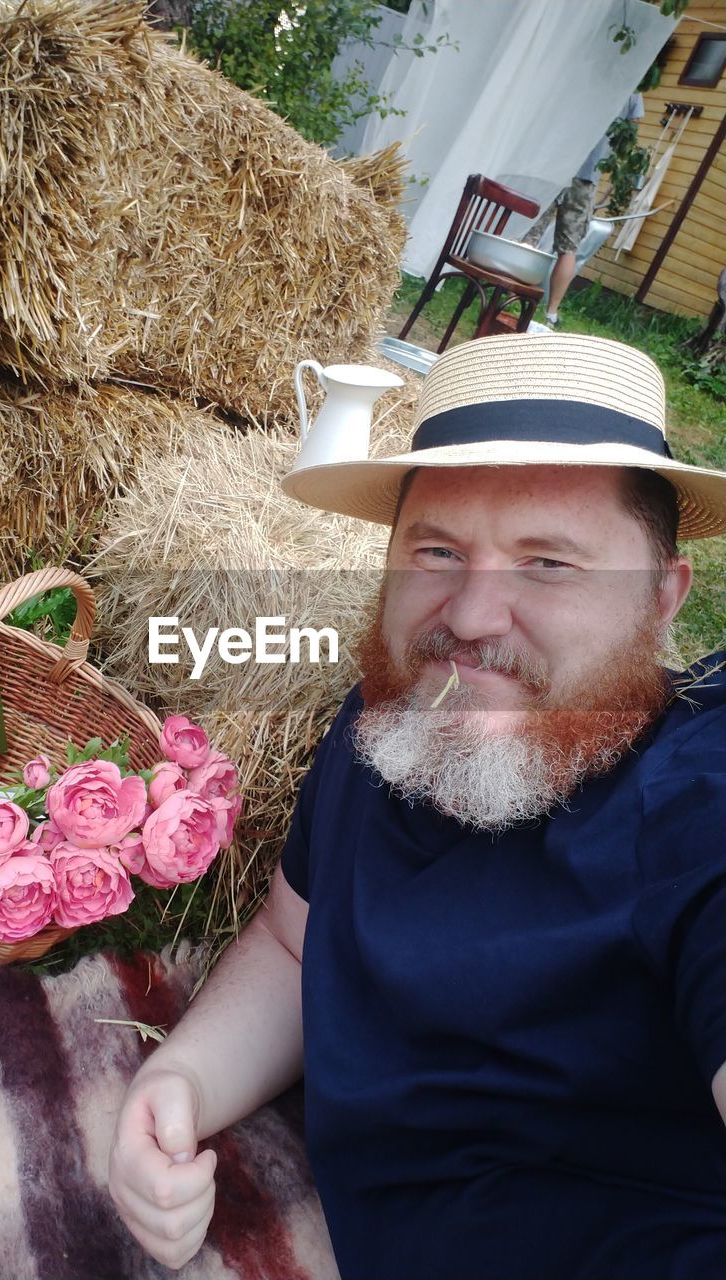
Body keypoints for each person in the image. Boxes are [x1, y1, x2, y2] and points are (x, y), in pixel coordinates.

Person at [108, 331, 726, 1279]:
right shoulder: (396, 716)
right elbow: (292, 941)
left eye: (549, 564)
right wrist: (182, 1078)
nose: (471, 619)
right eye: (438, 550)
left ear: (659, 599)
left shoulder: (694, 798)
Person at [524, 93, 644, 326]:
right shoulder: (634, 89)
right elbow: (630, 134)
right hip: (587, 176)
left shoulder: (593, 66)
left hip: (556, 165)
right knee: (569, 248)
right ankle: (551, 313)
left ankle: (508, 292)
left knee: (532, 233)